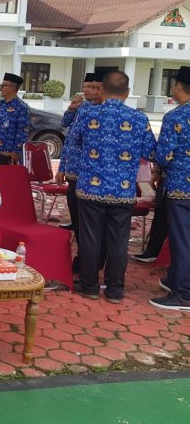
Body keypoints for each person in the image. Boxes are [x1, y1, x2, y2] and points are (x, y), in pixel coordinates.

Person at [72, 70, 156, 303]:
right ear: (127, 92)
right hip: (123, 190)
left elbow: (75, 141)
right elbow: (150, 151)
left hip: (90, 189)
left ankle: (89, 286)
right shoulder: (139, 118)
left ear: (102, 90)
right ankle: (115, 290)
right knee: (118, 242)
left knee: (90, 239)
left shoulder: (87, 114)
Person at [150, 66, 190, 310]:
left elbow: (164, 155)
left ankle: (183, 294)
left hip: (181, 188)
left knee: (182, 240)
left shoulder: (176, 116)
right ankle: (176, 279)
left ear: (178, 86)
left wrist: (157, 167)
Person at [56, 72, 104, 271]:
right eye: (86, 87)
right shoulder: (82, 108)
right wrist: (62, 168)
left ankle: (90, 261)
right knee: (77, 220)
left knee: (91, 225)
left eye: (94, 87)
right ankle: (85, 259)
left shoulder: (102, 111)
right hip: (73, 173)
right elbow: (67, 134)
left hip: (90, 176)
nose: (89, 91)